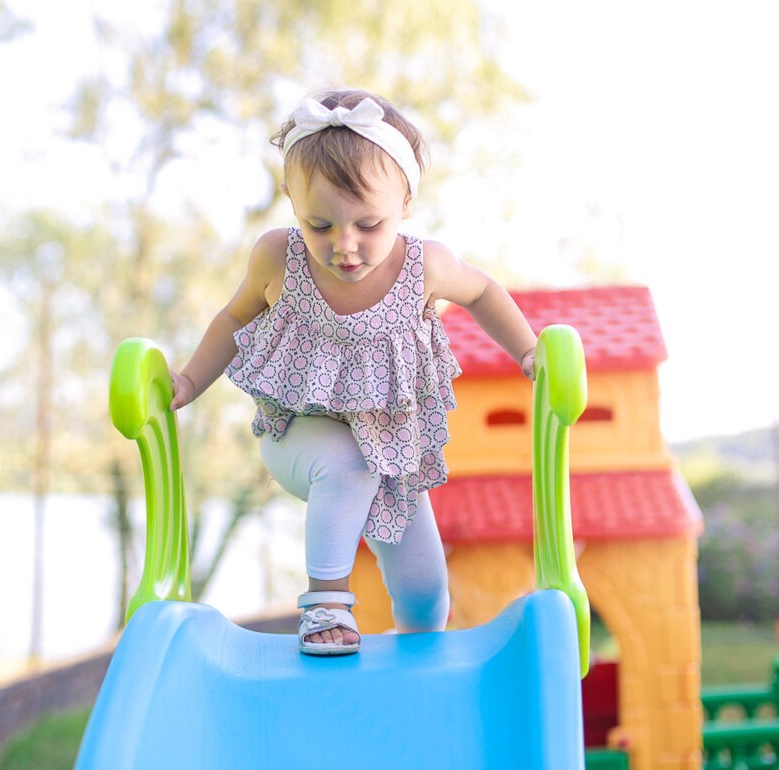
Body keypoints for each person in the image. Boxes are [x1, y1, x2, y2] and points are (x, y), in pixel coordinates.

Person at [169, 89, 538, 655]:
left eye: (368, 224)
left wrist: (529, 351)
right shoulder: (277, 258)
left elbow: (484, 291)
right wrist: (190, 381)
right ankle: (325, 607)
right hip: (299, 435)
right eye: (320, 225)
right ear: (292, 202)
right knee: (345, 462)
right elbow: (232, 320)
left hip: (390, 446)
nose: (345, 245)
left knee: (425, 593)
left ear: (406, 202)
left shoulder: (425, 267)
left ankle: (413, 663)